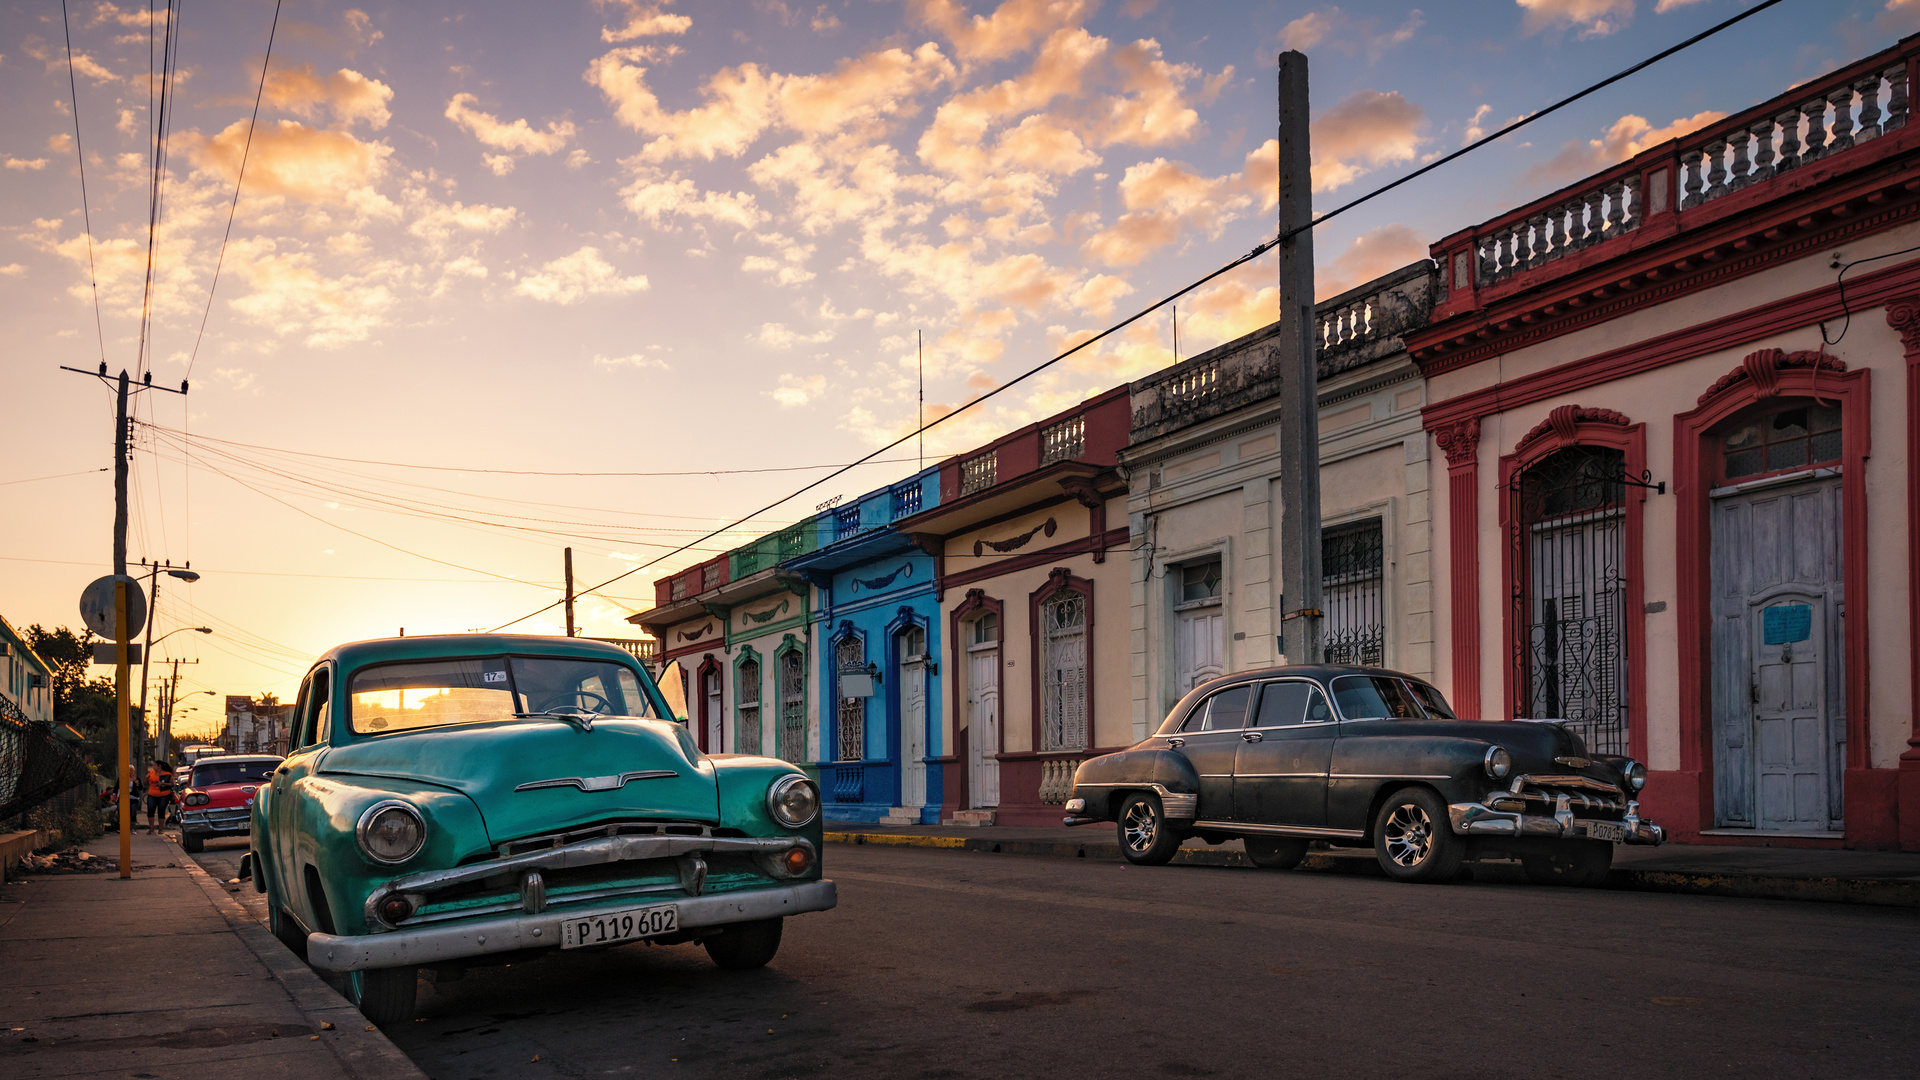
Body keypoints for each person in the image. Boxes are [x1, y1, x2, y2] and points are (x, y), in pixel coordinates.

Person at [144, 760, 173, 835]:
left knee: (161, 811)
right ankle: (151, 828)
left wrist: (164, 783)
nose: (153, 767)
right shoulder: (151, 773)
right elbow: (146, 784)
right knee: (150, 810)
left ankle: (160, 829)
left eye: (154, 765)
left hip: (164, 795)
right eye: (153, 765)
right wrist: (146, 778)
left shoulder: (167, 774)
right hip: (152, 794)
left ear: (159, 766)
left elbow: (172, 784)